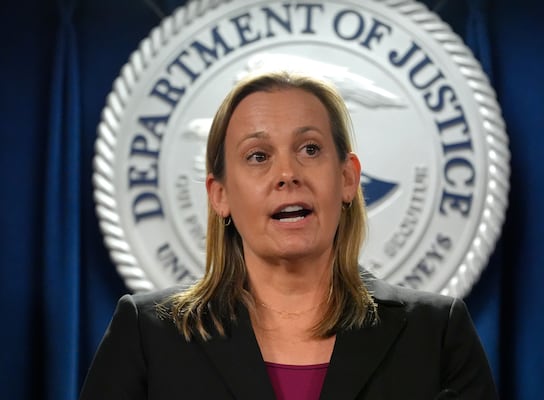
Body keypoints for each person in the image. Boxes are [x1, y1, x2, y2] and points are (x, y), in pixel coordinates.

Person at [80, 70, 498, 399]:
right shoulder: (149, 335)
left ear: (348, 178)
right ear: (220, 195)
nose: (287, 174)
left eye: (310, 149)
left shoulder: (437, 335)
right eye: (258, 156)